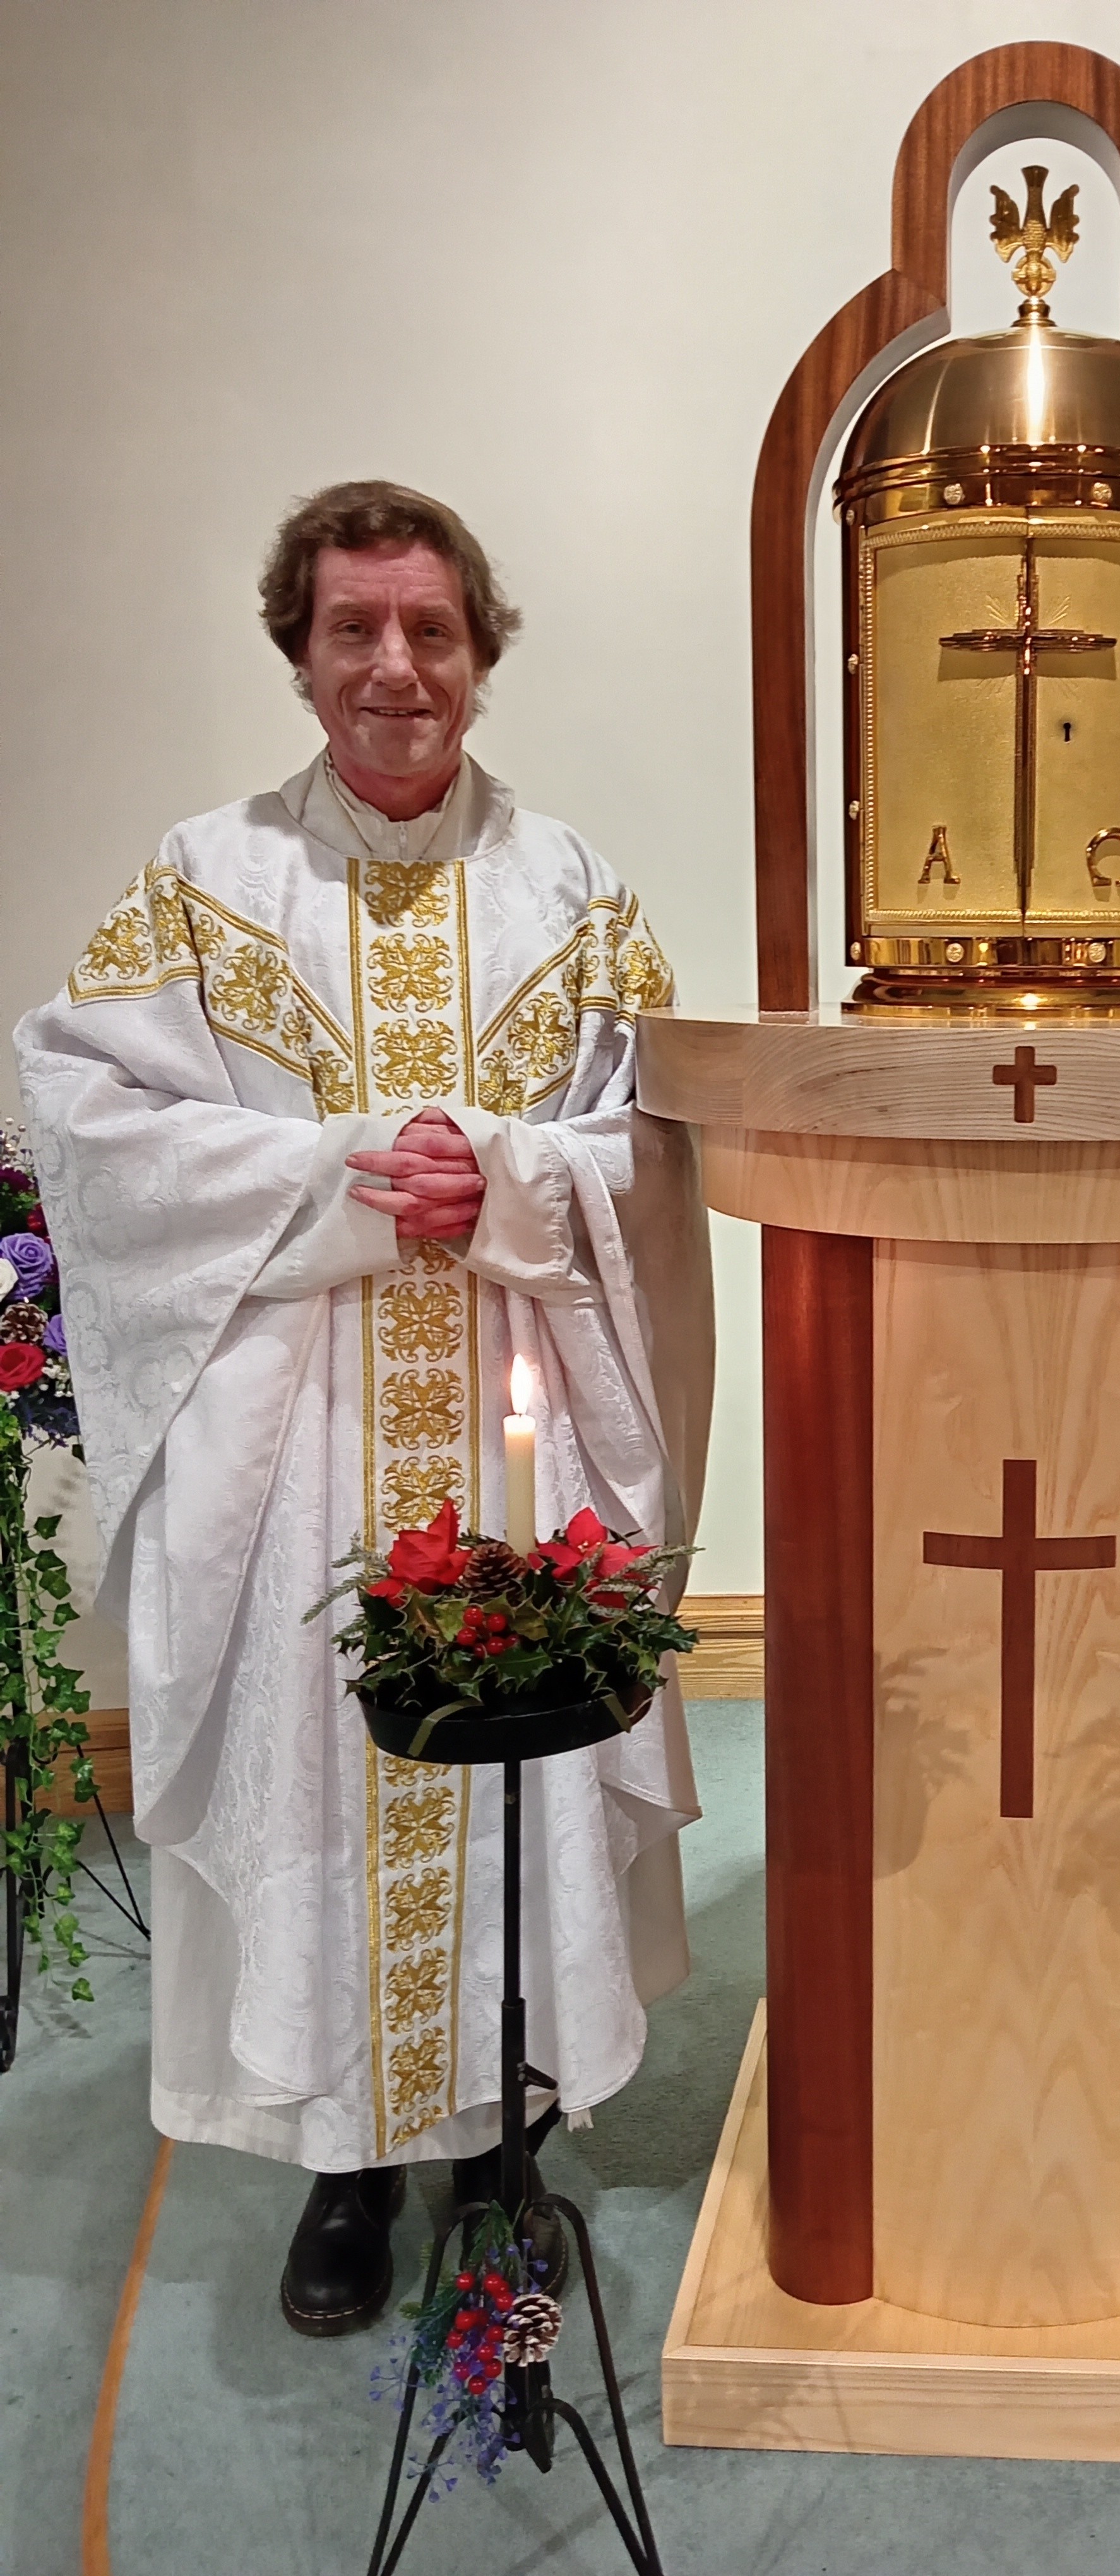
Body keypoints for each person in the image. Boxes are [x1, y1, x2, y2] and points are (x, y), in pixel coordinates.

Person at [15, 480, 713, 2334]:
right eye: (354, 631)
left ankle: (500, 2146)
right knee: (323, 1767)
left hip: (514, 1402)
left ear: (483, 650)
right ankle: (339, 2164)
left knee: (528, 1753)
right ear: (300, 651)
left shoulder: (574, 890)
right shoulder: (204, 879)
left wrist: (508, 1179)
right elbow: (88, 1122)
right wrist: (332, 1176)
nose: (395, 669)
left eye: (431, 631)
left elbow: (653, 1156)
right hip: (302, 1426)